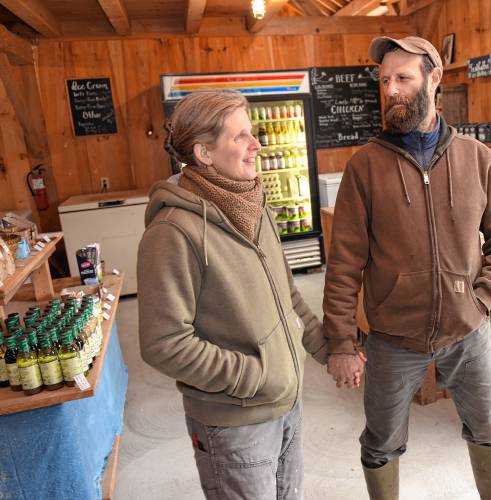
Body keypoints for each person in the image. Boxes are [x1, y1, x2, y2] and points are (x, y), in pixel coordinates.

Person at [323, 36, 491, 500]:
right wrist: (340, 341)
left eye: (403, 78)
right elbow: (344, 264)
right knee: (380, 443)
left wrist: (482, 299)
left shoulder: (478, 158)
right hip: (393, 338)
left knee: (489, 428)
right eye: (385, 80)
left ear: (434, 80)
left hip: (467, 331)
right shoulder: (364, 168)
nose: (391, 89)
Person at [137, 90, 327, 500]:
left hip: (286, 402)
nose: (256, 144)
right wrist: (255, 376)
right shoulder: (172, 232)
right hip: (235, 421)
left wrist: (330, 349)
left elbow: (287, 295)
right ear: (204, 153)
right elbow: (163, 344)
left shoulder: (255, 208)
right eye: (240, 136)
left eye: (252, 132)